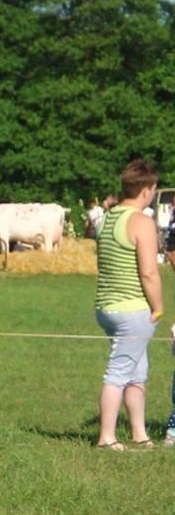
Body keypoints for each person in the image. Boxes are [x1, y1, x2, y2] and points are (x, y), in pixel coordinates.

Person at [94, 159, 163, 451]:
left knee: (137, 370)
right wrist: (158, 306)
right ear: (147, 190)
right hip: (132, 309)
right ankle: (106, 438)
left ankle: (139, 433)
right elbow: (148, 271)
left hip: (106, 306)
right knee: (119, 373)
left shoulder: (107, 218)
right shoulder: (142, 222)